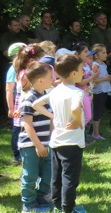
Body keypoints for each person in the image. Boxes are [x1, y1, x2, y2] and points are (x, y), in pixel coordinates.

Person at [32, 54, 87, 213]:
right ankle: (67, 209)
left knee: (56, 177)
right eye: (81, 69)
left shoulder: (55, 91)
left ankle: (57, 206)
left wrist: (53, 116)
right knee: (70, 178)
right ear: (73, 73)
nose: (83, 71)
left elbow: (36, 104)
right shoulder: (76, 91)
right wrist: (76, 120)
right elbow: (76, 108)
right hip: (72, 142)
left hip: (55, 142)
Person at [17, 62, 54, 212]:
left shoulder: (46, 97)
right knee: (30, 176)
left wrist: (51, 140)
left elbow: (51, 120)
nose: (53, 79)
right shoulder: (28, 99)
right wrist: (38, 145)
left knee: (48, 174)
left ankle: (42, 199)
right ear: (40, 80)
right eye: (50, 76)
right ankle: (29, 204)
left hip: (46, 143)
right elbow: (27, 125)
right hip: (31, 145)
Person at [10, 44, 45, 165]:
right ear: (32, 60)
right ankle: (27, 158)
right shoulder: (27, 74)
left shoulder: (24, 72)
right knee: (28, 131)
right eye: (41, 59)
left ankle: (33, 156)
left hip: (25, 106)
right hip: (26, 107)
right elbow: (26, 94)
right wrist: (20, 108)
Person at [91, 44, 111, 140]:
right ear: (96, 55)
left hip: (104, 91)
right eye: (103, 53)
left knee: (100, 112)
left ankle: (95, 131)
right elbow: (92, 80)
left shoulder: (103, 64)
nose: (106, 54)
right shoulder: (95, 65)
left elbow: (105, 76)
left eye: (106, 52)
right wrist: (104, 79)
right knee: (97, 112)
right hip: (98, 92)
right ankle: (95, 134)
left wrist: (109, 77)